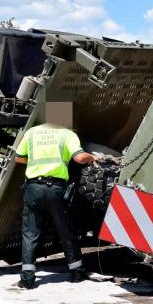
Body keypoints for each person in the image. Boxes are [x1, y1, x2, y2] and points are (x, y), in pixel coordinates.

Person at [14, 123, 96, 288]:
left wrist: (36, 164)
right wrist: (93, 157)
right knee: (66, 230)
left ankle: (27, 279)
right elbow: (79, 158)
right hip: (56, 189)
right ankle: (77, 272)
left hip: (33, 188)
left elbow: (18, 157)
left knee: (30, 233)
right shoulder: (67, 134)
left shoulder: (32, 132)